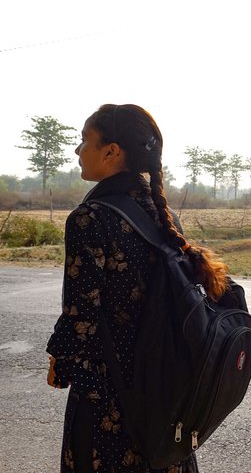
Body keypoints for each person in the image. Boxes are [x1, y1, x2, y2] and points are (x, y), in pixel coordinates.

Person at [46, 104, 229, 473]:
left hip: (109, 390)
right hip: (164, 385)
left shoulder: (90, 217)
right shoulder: (159, 211)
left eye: (84, 142)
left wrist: (60, 364)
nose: (78, 152)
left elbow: (82, 316)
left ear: (112, 151)